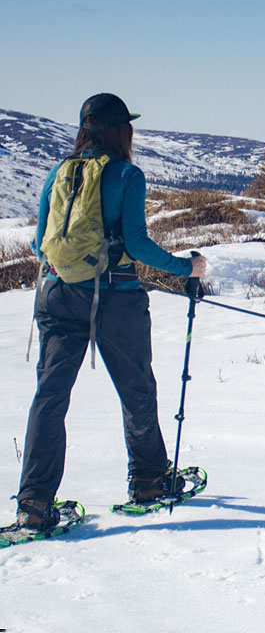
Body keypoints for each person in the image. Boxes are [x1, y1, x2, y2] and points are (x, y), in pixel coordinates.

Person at [15, 93, 207, 530]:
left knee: (50, 398)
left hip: (56, 294)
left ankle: (34, 506)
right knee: (137, 389)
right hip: (115, 299)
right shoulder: (125, 175)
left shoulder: (58, 173)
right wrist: (186, 269)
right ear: (123, 131)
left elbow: (37, 242)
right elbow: (136, 244)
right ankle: (148, 481)